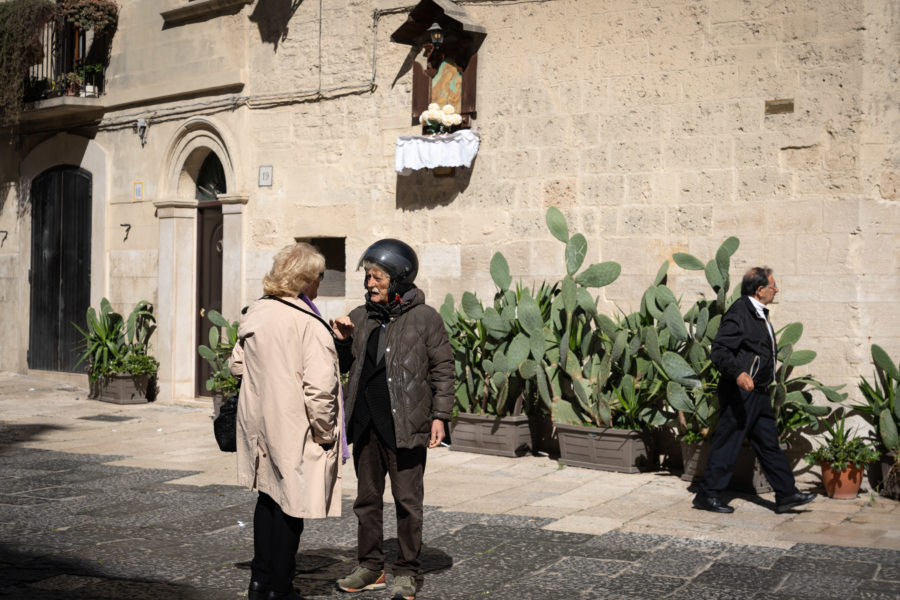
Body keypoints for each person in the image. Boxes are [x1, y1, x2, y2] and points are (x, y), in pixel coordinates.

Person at [331, 239, 453, 600]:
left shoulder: (425, 318)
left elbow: (443, 369)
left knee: (407, 501)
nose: (370, 283)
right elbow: (344, 365)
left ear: (399, 278)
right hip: (366, 422)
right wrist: (341, 342)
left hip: (406, 424)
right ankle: (370, 566)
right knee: (366, 500)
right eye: (368, 276)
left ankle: (407, 570)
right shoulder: (360, 315)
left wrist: (440, 416)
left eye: (377, 276)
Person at [231, 242, 342, 600]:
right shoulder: (311, 324)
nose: (321, 283)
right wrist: (327, 434)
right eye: (320, 276)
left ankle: (260, 581)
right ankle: (281, 587)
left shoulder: (258, 311)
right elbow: (320, 391)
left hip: (260, 422)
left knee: (267, 498)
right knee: (292, 508)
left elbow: (236, 364)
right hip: (296, 427)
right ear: (307, 279)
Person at [692, 267, 816, 514]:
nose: (776, 289)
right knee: (728, 442)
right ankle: (707, 495)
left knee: (769, 444)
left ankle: (786, 495)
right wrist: (738, 373)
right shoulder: (740, 312)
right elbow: (719, 350)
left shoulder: (758, 312)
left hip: (759, 393)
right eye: (773, 286)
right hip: (741, 393)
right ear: (760, 290)